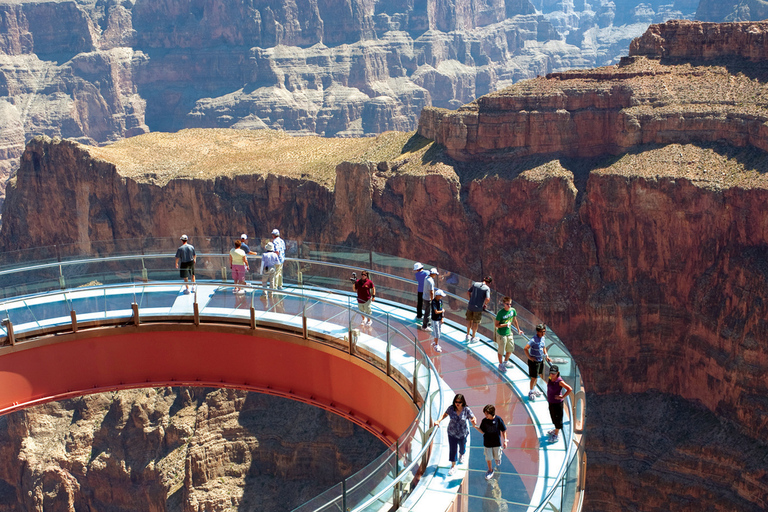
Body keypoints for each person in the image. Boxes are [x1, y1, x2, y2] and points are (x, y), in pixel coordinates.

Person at [436, 393, 477, 476]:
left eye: (459, 402)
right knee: (453, 449)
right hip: (452, 432)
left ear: (463, 402)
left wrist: (474, 421)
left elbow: (473, 417)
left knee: (462, 447)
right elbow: (445, 414)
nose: (457, 404)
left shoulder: (466, 410)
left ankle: (462, 454)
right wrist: (438, 421)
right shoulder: (451, 408)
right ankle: (453, 466)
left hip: (462, 433)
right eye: (456, 402)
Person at [475, 404, 507, 480]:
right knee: (488, 457)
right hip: (487, 443)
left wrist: (505, 440)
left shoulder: (498, 419)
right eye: (485, 414)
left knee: (497, 457)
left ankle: (498, 457)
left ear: (491, 413)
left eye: (487, 414)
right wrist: (475, 426)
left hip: (496, 443)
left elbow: (503, 430)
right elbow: (482, 431)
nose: (486, 415)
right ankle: (490, 470)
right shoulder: (484, 421)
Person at [494, 296, 524, 373]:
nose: (509, 306)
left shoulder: (512, 310)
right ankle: (500, 365)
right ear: (504, 304)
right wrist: (505, 324)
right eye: (507, 304)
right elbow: (496, 325)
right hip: (501, 334)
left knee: (510, 349)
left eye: (510, 304)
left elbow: (515, 320)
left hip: (509, 333)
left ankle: (506, 362)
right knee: (501, 351)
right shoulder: (500, 313)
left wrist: (518, 330)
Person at [524, 324, 552, 401]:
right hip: (534, 362)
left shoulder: (543, 338)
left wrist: (546, 356)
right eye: (542, 332)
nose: (543, 333)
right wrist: (529, 357)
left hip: (540, 360)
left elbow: (544, 347)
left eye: (544, 331)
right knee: (534, 377)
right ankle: (531, 392)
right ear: (537, 332)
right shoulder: (533, 340)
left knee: (536, 376)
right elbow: (525, 348)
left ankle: (534, 389)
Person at [546, 365, 573, 443]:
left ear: (557, 373)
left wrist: (563, 396)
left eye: (554, 373)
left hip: (557, 403)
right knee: (553, 417)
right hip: (551, 401)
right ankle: (555, 430)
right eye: (551, 373)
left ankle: (556, 435)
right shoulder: (550, 378)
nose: (552, 375)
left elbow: (569, 389)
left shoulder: (559, 381)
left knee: (558, 419)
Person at [465, 276, 492, 342]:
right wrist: (485, 304)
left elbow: (468, 292)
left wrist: (470, 299)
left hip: (470, 305)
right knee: (475, 322)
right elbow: (488, 299)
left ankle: (467, 335)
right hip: (478, 308)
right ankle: (473, 337)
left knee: (469, 320)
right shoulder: (487, 288)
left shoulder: (475, 284)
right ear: (489, 283)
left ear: (483, 279)